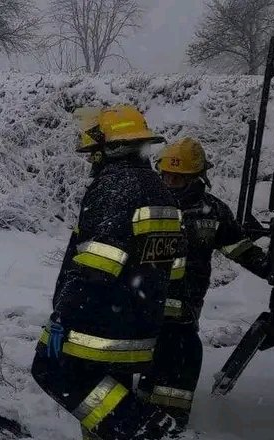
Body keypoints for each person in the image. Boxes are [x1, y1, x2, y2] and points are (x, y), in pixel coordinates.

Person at [30, 105, 187, 440]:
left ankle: (149, 429)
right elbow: (173, 268)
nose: (91, 161)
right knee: (103, 401)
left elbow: (97, 264)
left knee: (51, 370)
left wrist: (63, 315)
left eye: (94, 153)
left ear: (109, 149)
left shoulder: (115, 188)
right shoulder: (161, 191)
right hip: (140, 321)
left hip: (99, 320)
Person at [136, 137, 270, 430]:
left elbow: (240, 249)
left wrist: (273, 271)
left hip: (184, 312)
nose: (169, 182)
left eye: (177, 177)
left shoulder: (212, 212)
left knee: (179, 365)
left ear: (195, 177)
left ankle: (171, 424)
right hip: (144, 306)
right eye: (166, 175)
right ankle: (143, 414)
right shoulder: (146, 204)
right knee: (149, 364)